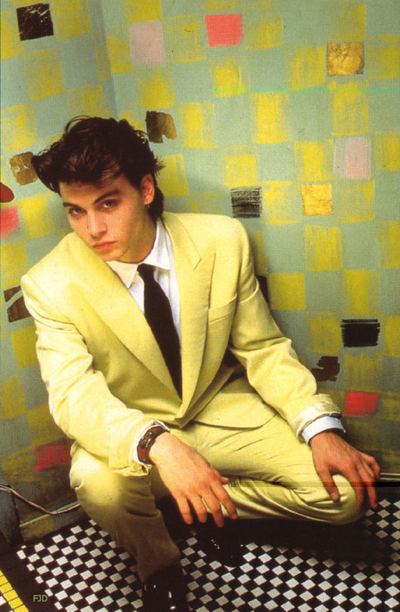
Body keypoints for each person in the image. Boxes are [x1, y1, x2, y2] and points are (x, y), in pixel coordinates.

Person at [21, 116, 380, 612]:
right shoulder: (48, 284)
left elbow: (263, 349)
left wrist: (320, 429)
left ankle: (199, 503)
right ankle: (159, 562)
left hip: (220, 410)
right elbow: (73, 395)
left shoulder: (222, 240)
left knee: (346, 495)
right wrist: (157, 443)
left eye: (108, 203)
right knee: (98, 487)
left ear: (146, 189)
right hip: (133, 427)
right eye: (76, 212)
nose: (93, 229)